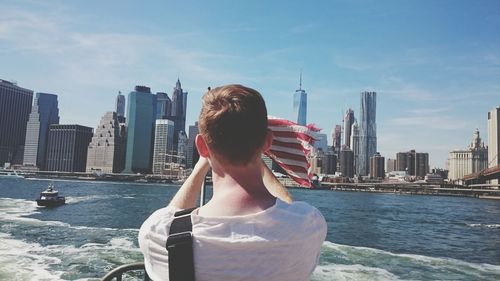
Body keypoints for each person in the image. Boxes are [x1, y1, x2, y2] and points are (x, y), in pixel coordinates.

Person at [139, 84, 327, 281]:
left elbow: (172, 215)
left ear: (202, 146)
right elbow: (287, 209)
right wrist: (255, 151)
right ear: (267, 142)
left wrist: (201, 165)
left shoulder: (159, 234)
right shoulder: (307, 225)